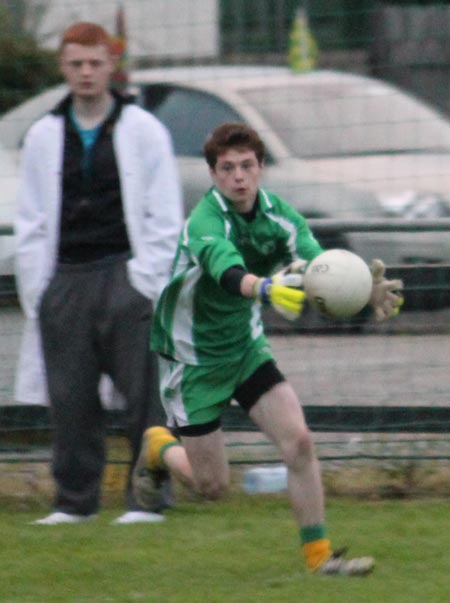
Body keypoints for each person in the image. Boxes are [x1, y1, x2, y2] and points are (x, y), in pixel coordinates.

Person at [132, 122, 403, 574]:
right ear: (215, 175)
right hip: (193, 358)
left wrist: (362, 292)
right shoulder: (205, 219)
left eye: (246, 166)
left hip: (244, 347)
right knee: (212, 487)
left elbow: (319, 267)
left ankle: (320, 559)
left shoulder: (280, 216)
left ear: (260, 169)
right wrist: (263, 289)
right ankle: (158, 447)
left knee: (298, 442)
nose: (238, 176)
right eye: (227, 168)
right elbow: (225, 269)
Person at [14, 22, 183, 525]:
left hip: (126, 276)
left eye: (95, 63)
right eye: (75, 64)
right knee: (70, 400)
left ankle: (148, 500)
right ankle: (73, 502)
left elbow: (164, 216)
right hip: (65, 277)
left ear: (112, 65)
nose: (86, 73)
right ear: (63, 68)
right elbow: (31, 221)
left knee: (143, 397)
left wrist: (145, 279)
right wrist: (41, 292)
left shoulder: (145, 131)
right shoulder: (44, 135)